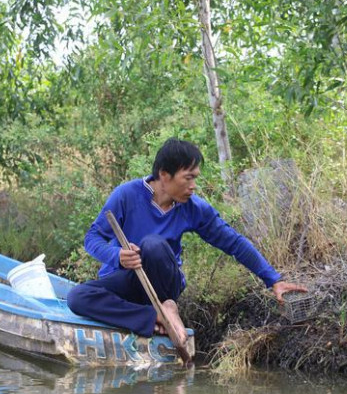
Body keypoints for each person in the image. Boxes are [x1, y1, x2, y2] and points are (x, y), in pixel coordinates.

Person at [67, 138, 307, 345]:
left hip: (164, 285)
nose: (193, 186)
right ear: (164, 175)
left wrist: (273, 280)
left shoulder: (193, 208)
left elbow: (233, 242)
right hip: (129, 281)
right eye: (188, 178)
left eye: (195, 179)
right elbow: (93, 238)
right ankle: (154, 317)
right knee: (77, 297)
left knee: (153, 245)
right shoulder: (126, 195)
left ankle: (166, 306)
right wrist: (117, 256)